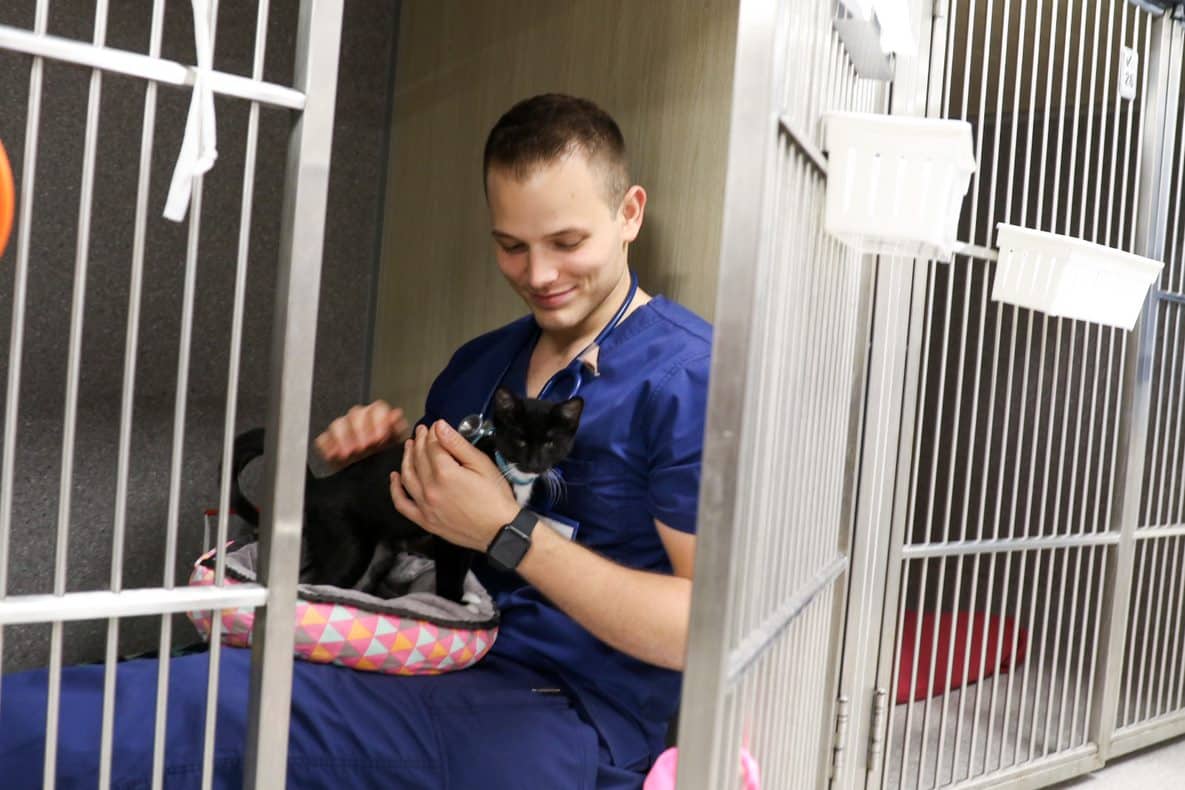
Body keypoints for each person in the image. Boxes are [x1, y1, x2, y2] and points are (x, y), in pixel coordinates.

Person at [0, 93, 712, 789]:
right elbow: (427, 550)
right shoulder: (478, 367)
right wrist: (377, 480)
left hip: (556, 708)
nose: (539, 275)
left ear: (629, 214)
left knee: (167, 717)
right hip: (425, 646)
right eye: (510, 246)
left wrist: (505, 529)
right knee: (161, 676)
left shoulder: (683, 379)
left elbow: (698, 631)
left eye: (566, 243)